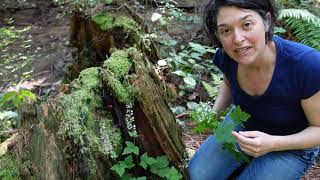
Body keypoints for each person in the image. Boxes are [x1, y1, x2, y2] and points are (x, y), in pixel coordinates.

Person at [187, 0, 320, 179]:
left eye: (247, 24)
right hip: (242, 125)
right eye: (226, 30)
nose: (238, 39)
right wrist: (214, 112)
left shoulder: (307, 65)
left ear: (266, 21)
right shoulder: (228, 56)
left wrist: (272, 143)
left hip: (293, 146)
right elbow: (228, 84)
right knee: (197, 175)